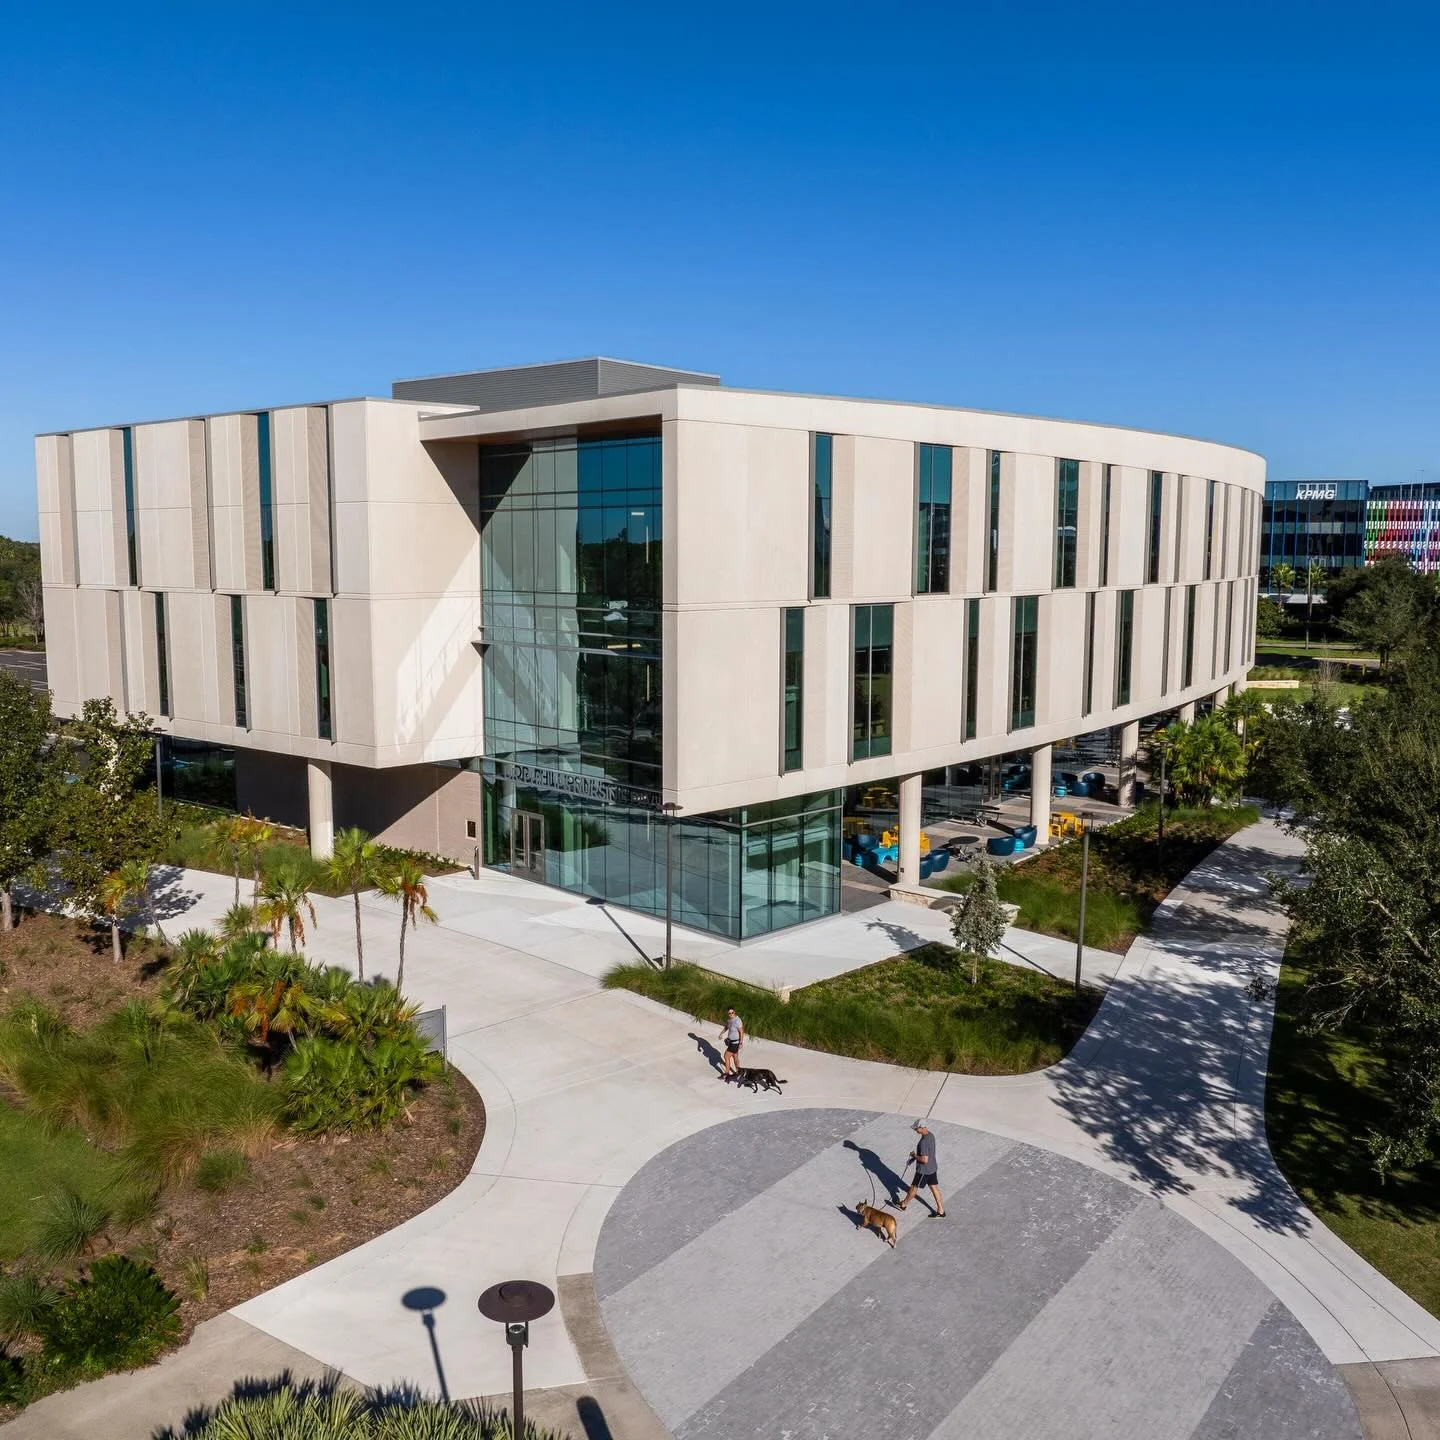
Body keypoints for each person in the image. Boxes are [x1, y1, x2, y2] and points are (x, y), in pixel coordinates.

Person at [897, 1119, 946, 1217]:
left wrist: (914, 1156)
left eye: (916, 1128)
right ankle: (941, 1211)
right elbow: (928, 1154)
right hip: (932, 1168)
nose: (915, 1130)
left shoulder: (923, 1142)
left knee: (913, 1188)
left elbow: (924, 1160)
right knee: (934, 1188)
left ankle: (903, 1204)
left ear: (922, 1127)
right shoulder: (931, 1135)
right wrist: (915, 1158)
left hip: (923, 1170)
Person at [719, 1008, 745, 1079]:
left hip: (735, 1043)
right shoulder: (729, 1020)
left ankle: (726, 1074)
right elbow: (727, 1027)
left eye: (732, 1012)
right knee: (735, 1057)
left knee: (726, 1056)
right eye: (729, 1013)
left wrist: (741, 1043)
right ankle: (739, 1072)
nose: (731, 1014)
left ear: (734, 1012)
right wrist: (721, 1033)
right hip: (730, 1042)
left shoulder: (737, 1021)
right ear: (727, 1014)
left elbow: (741, 1032)